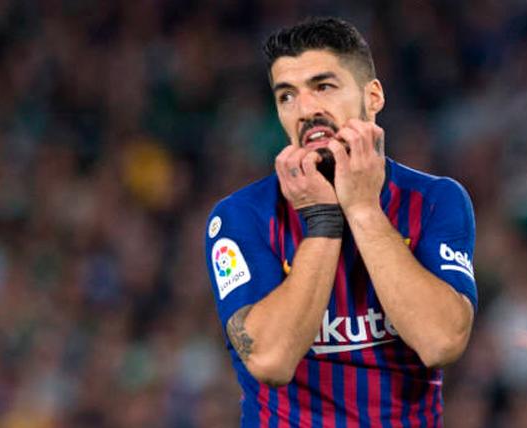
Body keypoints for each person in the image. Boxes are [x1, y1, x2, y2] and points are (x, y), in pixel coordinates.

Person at [204, 17, 477, 427]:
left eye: (323, 87)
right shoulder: (242, 215)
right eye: (287, 96)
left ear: (373, 96)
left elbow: (441, 342)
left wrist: (363, 209)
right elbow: (271, 360)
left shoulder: (435, 200)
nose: (306, 110)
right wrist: (323, 220)